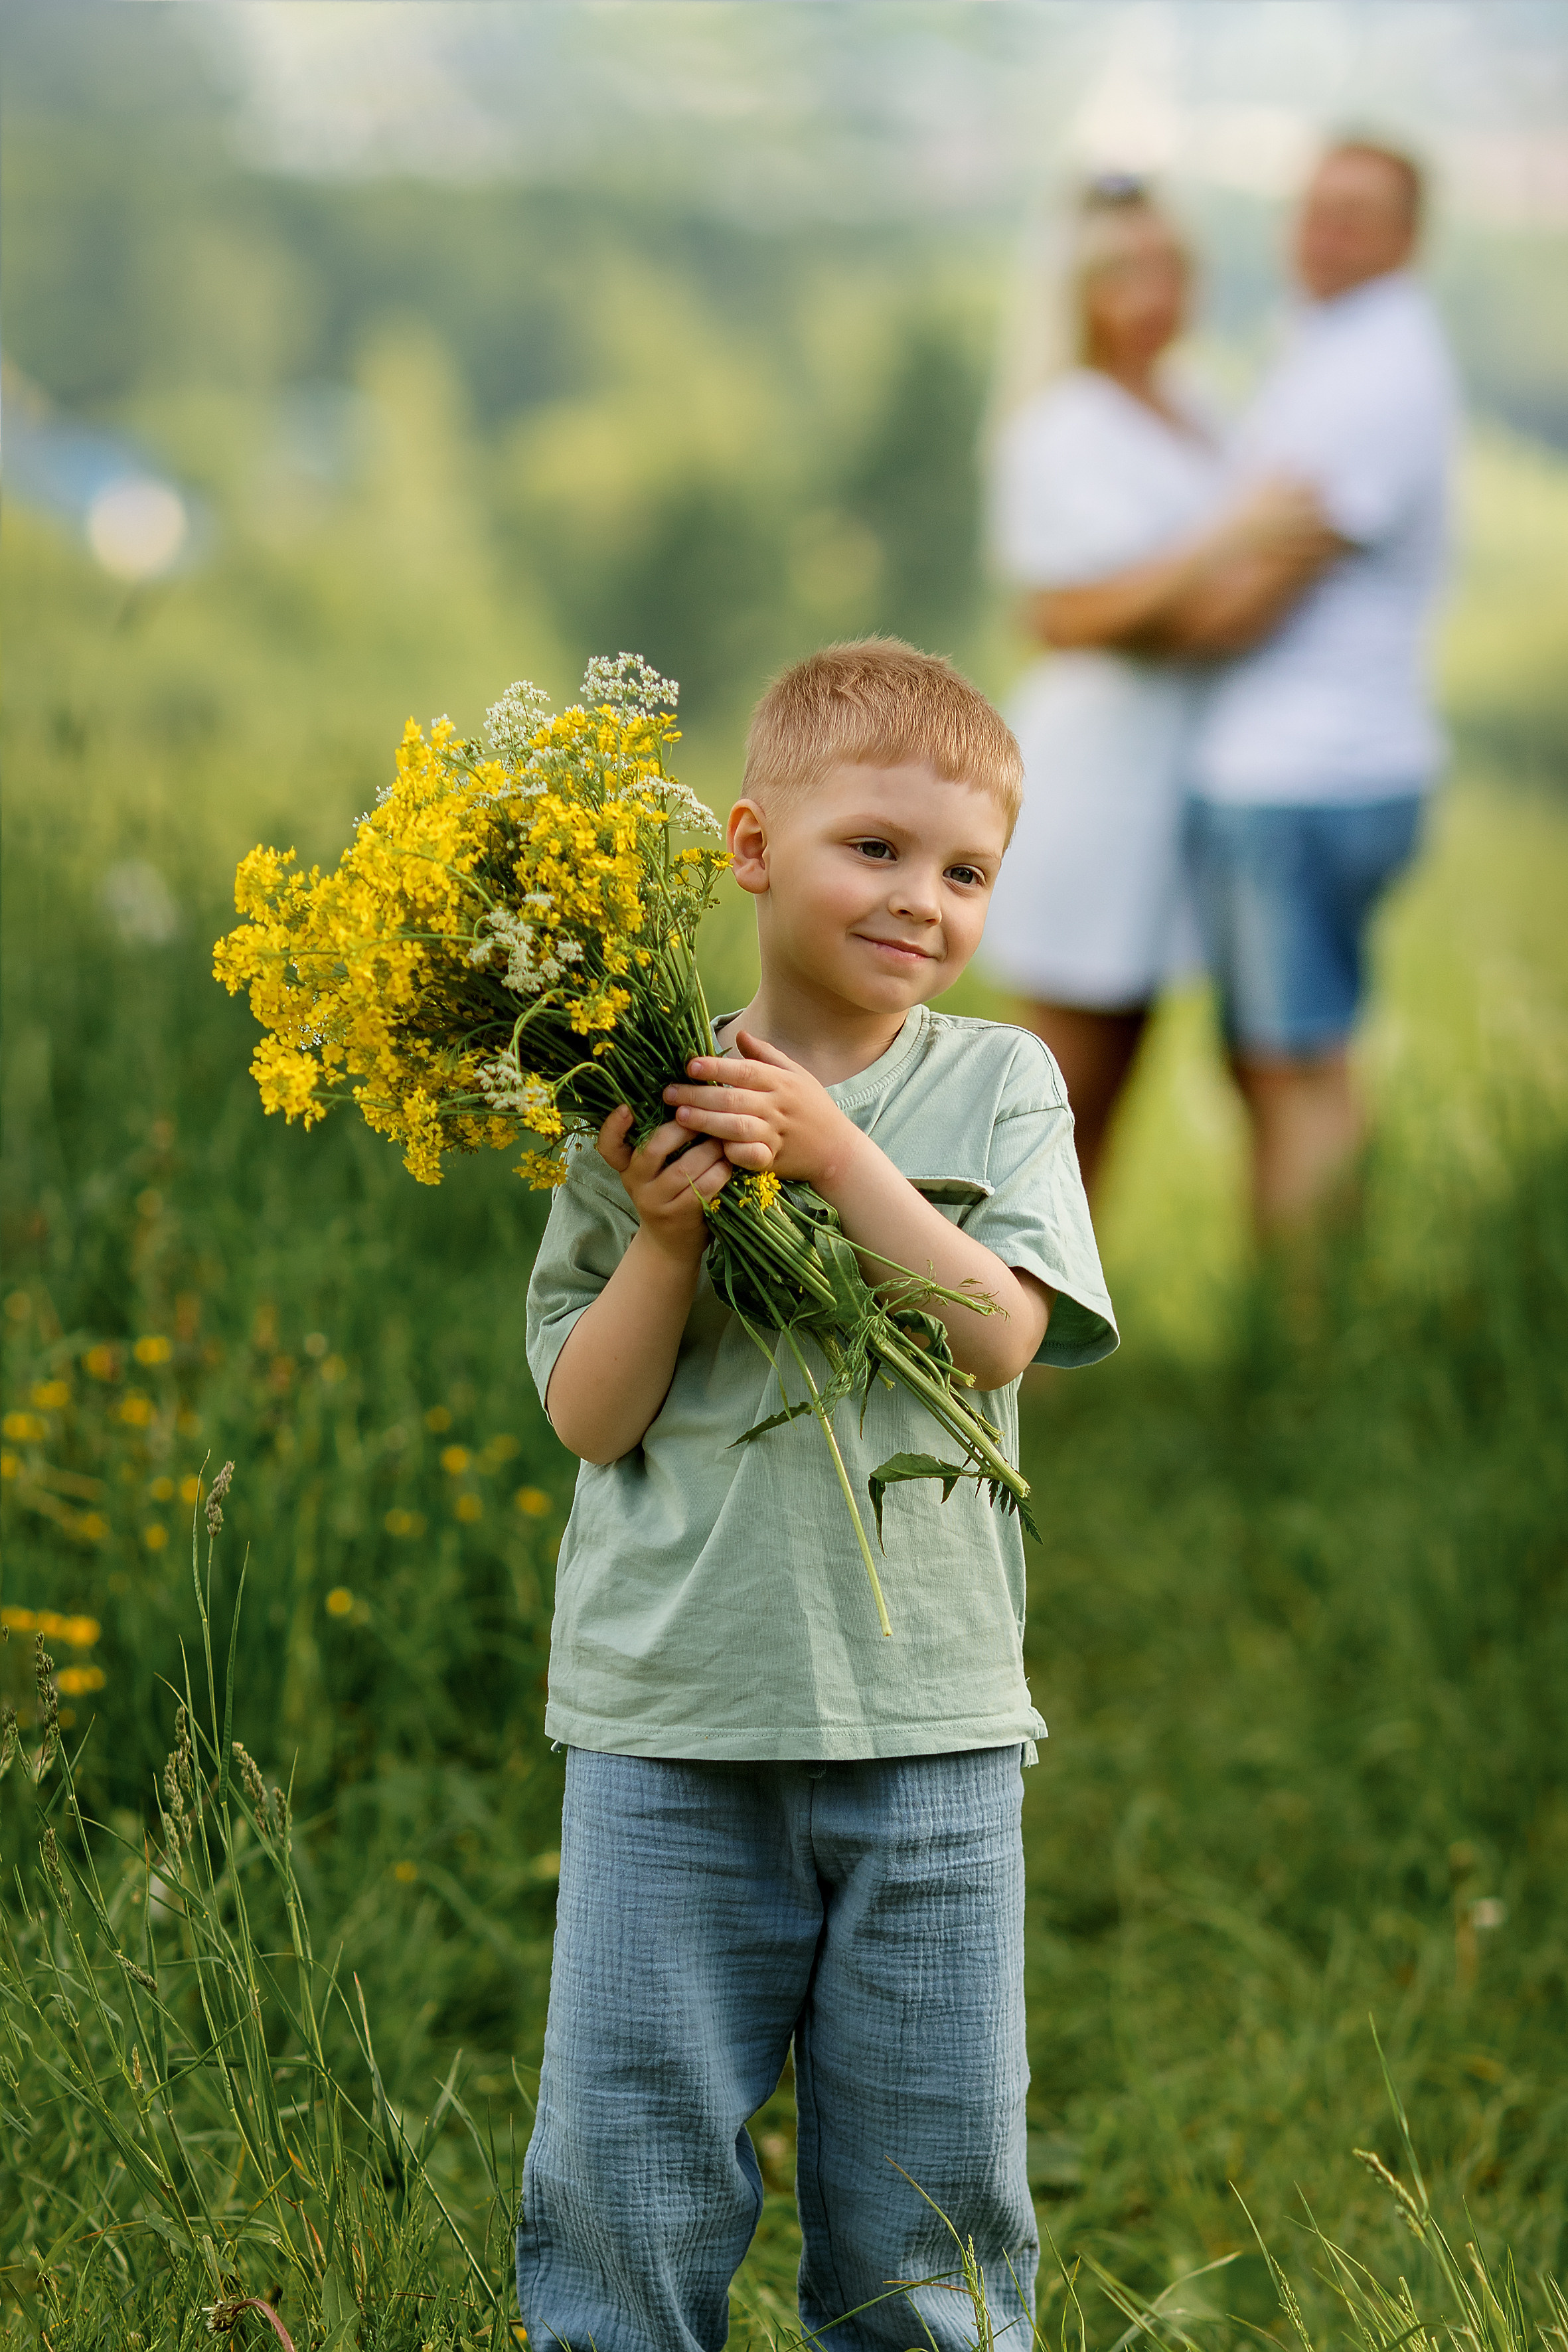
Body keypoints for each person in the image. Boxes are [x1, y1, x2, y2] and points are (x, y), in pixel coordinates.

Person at [516, 640, 1118, 2351]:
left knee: (929, 2188)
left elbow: (996, 1334)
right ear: (752, 844)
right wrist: (666, 1233)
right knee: (625, 2164)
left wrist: (837, 1157)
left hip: (926, 1727)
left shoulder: (995, 1084)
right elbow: (589, 1412)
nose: (920, 899)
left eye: (966, 870)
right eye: (874, 846)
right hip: (671, 1719)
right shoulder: (634, 1094)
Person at [984, 178, 1337, 1196]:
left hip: (1187, 778)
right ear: (1076, 292)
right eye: (1121, 273)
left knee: (1155, 1069)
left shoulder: (1196, 402)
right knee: (1064, 1105)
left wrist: (1265, 562)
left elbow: (1203, 604)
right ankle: (994, 1345)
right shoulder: (1058, 425)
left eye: (1171, 266)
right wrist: (1239, 545)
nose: (1154, 292)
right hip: (1095, 788)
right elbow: (1068, 614)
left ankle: (1059, 1341)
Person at [1186, 141, 1458, 1232]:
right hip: (1295, 761)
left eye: (1354, 215)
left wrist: (1102, 612)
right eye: (1312, 209)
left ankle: (1306, 1354)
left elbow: (1249, 599)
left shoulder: (1379, 370)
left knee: (1298, 1067)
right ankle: (1306, 1331)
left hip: (1312, 768)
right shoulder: (1332, 342)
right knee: (1281, 1063)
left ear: (1406, 238)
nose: (1322, 234)